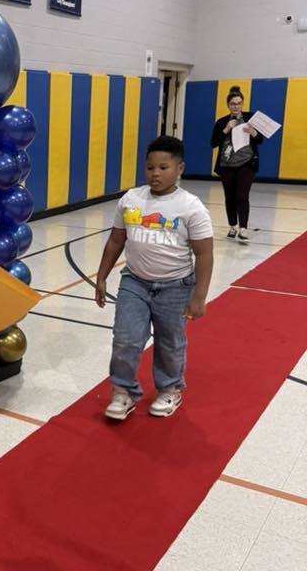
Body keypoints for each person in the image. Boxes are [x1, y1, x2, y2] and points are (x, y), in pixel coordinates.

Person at [95, 136, 214, 421]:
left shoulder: (191, 206)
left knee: (170, 342)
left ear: (180, 168)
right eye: (150, 167)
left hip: (176, 286)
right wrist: (101, 277)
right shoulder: (131, 199)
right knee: (125, 339)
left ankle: (170, 389)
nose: (155, 174)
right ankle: (123, 392)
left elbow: (205, 254)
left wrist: (199, 297)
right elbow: (115, 242)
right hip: (134, 282)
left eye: (163, 167)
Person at [210, 85, 263, 243]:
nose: (236, 106)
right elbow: (213, 143)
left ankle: (243, 228)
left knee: (242, 196)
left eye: (239, 103)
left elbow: (260, 140)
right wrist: (226, 129)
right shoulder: (221, 122)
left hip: (246, 163)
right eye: (233, 103)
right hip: (226, 165)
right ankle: (233, 225)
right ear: (228, 105)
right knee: (230, 197)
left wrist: (254, 133)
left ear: (242, 104)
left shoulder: (250, 118)